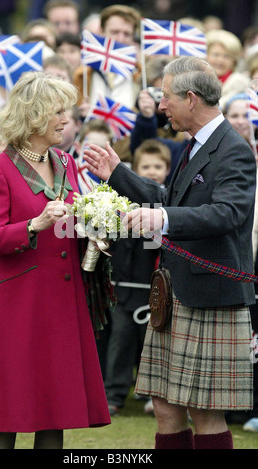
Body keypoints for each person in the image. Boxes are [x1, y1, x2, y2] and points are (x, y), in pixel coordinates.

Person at [83, 56, 256, 450]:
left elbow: (227, 213)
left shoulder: (234, 149)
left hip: (212, 295)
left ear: (190, 98)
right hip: (176, 293)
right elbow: (169, 198)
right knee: (163, 404)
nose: (161, 106)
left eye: (166, 97)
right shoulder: (195, 144)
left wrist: (160, 219)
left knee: (206, 410)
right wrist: (117, 174)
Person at [0, 72, 110, 449]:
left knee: (55, 406)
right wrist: (35, 223)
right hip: (17, 301)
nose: (67, 120)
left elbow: (70, 222)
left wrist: (93, 224)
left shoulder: (65, 161)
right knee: (7, 407)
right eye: (59, 112)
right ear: (34, 116)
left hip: (62, 299)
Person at [105, 139, 170, 416]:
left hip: (153, 290)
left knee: (152, 344)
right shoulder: (121, 198)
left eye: (158, 166)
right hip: (123, 289)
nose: (152, 171)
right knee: (120, 340)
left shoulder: (167, 204)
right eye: (146, 166)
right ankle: (114, 393)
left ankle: (152, 394)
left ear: (167, 169)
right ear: (134, 168)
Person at [73, 4, 141, 111]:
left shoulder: (140, 75)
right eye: (115, 32)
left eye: (127, 34)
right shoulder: (82, 74)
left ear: (133, 37)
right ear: (101, 32)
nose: (120, 39)